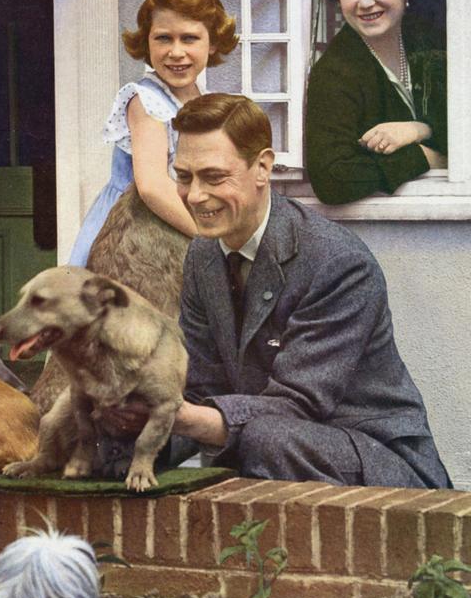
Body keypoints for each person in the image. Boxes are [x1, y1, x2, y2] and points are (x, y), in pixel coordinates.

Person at [116, 93, 450, 488]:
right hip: (278, 443)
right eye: (184, 176)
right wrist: (133, 419)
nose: (194, 196)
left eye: (214, 177)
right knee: (113, 444)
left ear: (263, 167)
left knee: (264, 438)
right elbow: (201, 386)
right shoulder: (203, 255)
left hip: (381, 461)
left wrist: (180, 417)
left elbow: (299, 404)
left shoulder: (337, 261)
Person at [68, 0, 238, 266]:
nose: (176, 52)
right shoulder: (146, 101)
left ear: (212, 43)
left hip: (177, 222)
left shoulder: (204, 101)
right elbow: (152, 186)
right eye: (163, 38)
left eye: (189, 38)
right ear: (147, 43)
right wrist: (210, 238)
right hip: (134, 232)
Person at [305, 0, 447, 205]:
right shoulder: (335, 71)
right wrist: (427, 157)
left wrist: (419, 130)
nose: (365, 2)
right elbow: (332, 177)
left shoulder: (432, 43)